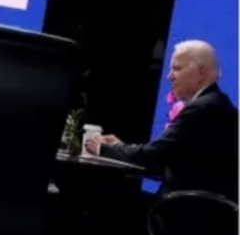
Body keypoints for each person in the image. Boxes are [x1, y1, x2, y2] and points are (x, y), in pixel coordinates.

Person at [85, 40, 238, 199]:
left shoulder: (200, 108)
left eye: (177, 68)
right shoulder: (218, 103)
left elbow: (152, 155)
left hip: (185, 207)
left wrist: (103, 148)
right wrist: (121, 147)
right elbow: (169, 157)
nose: (169, 76)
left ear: (200, 73)